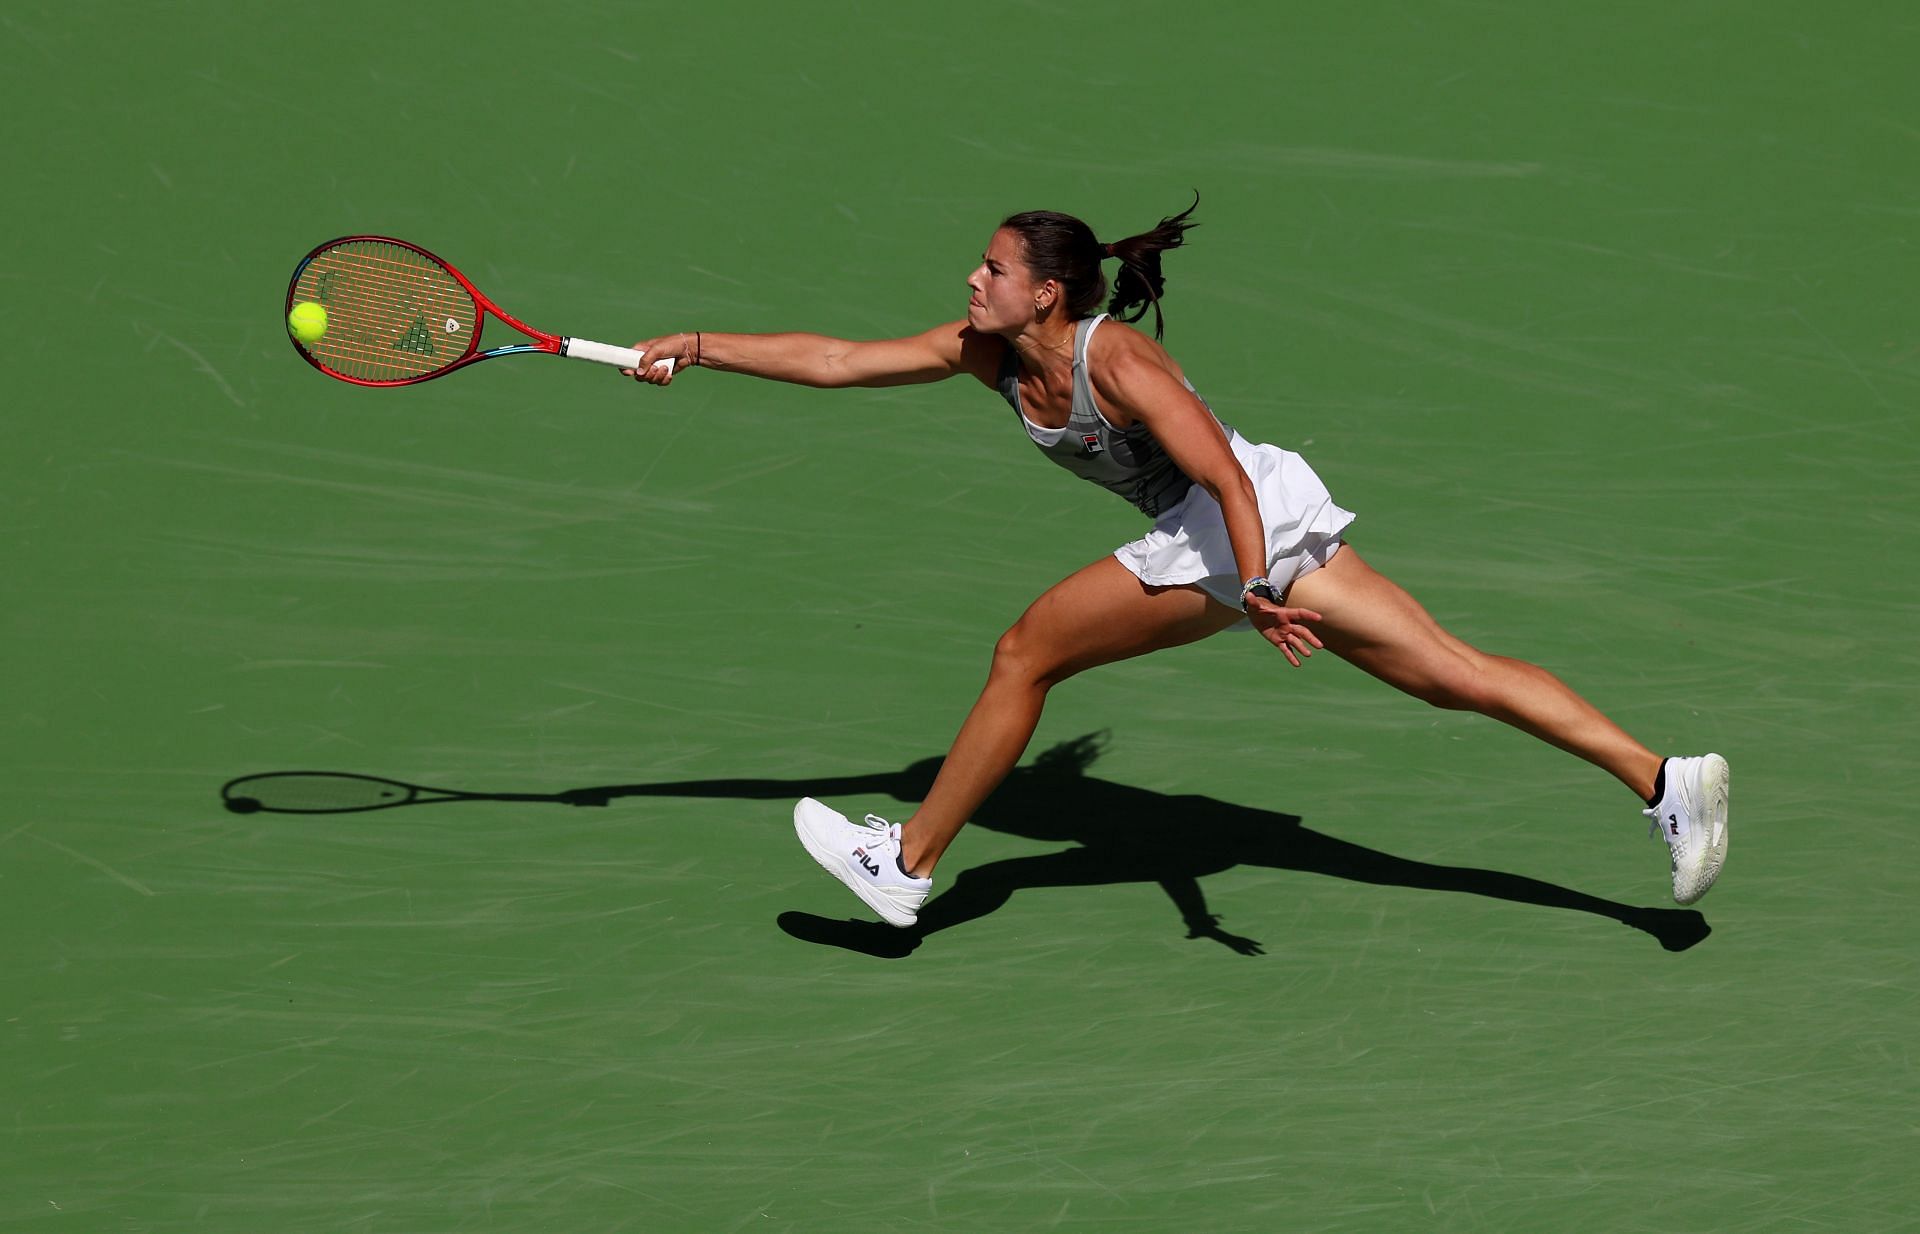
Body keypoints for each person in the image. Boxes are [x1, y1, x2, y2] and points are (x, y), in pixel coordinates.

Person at [623, 199, 1729, 928]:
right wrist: (706, 344)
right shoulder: (988, 356)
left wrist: (1248, 585)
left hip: (1233, 521)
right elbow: (836, 358)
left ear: (1045, 291)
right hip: (1257, 528)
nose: (973, 278)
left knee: (1026, 653)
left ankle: (906, 864)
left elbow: (1229, 483)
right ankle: (1663, 780)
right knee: (1455, 671)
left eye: (994, 268)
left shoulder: (1125, 359)